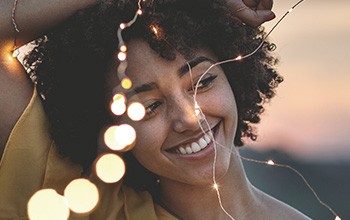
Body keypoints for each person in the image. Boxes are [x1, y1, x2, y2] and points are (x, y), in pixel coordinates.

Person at [0, 0, 310, 219]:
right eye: (149, 107)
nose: (188, 118)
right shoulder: (81, 209)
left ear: (235, 76)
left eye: (202, 82)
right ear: (107, 124)